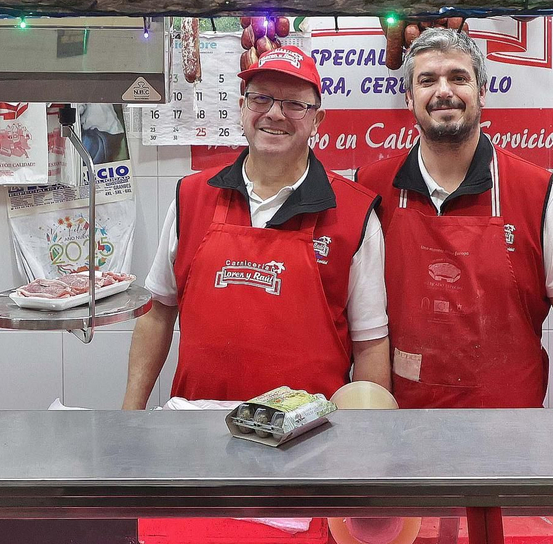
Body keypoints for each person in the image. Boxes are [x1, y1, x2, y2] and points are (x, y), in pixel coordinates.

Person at [122, 47, 390, 407]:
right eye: (261, 98)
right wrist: (130, 416)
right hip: (198, 438)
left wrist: (366, 445)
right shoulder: (192, 197)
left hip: (308, 443)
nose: (275, 114)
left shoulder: (355, 214)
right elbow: (157, 314)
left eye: (295, 104)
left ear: (317, 120)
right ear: (242, 107)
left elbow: (371, 343)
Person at [355, 28, 553, 408]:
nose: (443, 92)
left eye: (458, 78)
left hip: (512, 436)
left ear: (482, 92)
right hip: (401, 431)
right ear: (408, 98)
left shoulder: (536, 193)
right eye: (427, 80)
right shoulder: (371, 188)